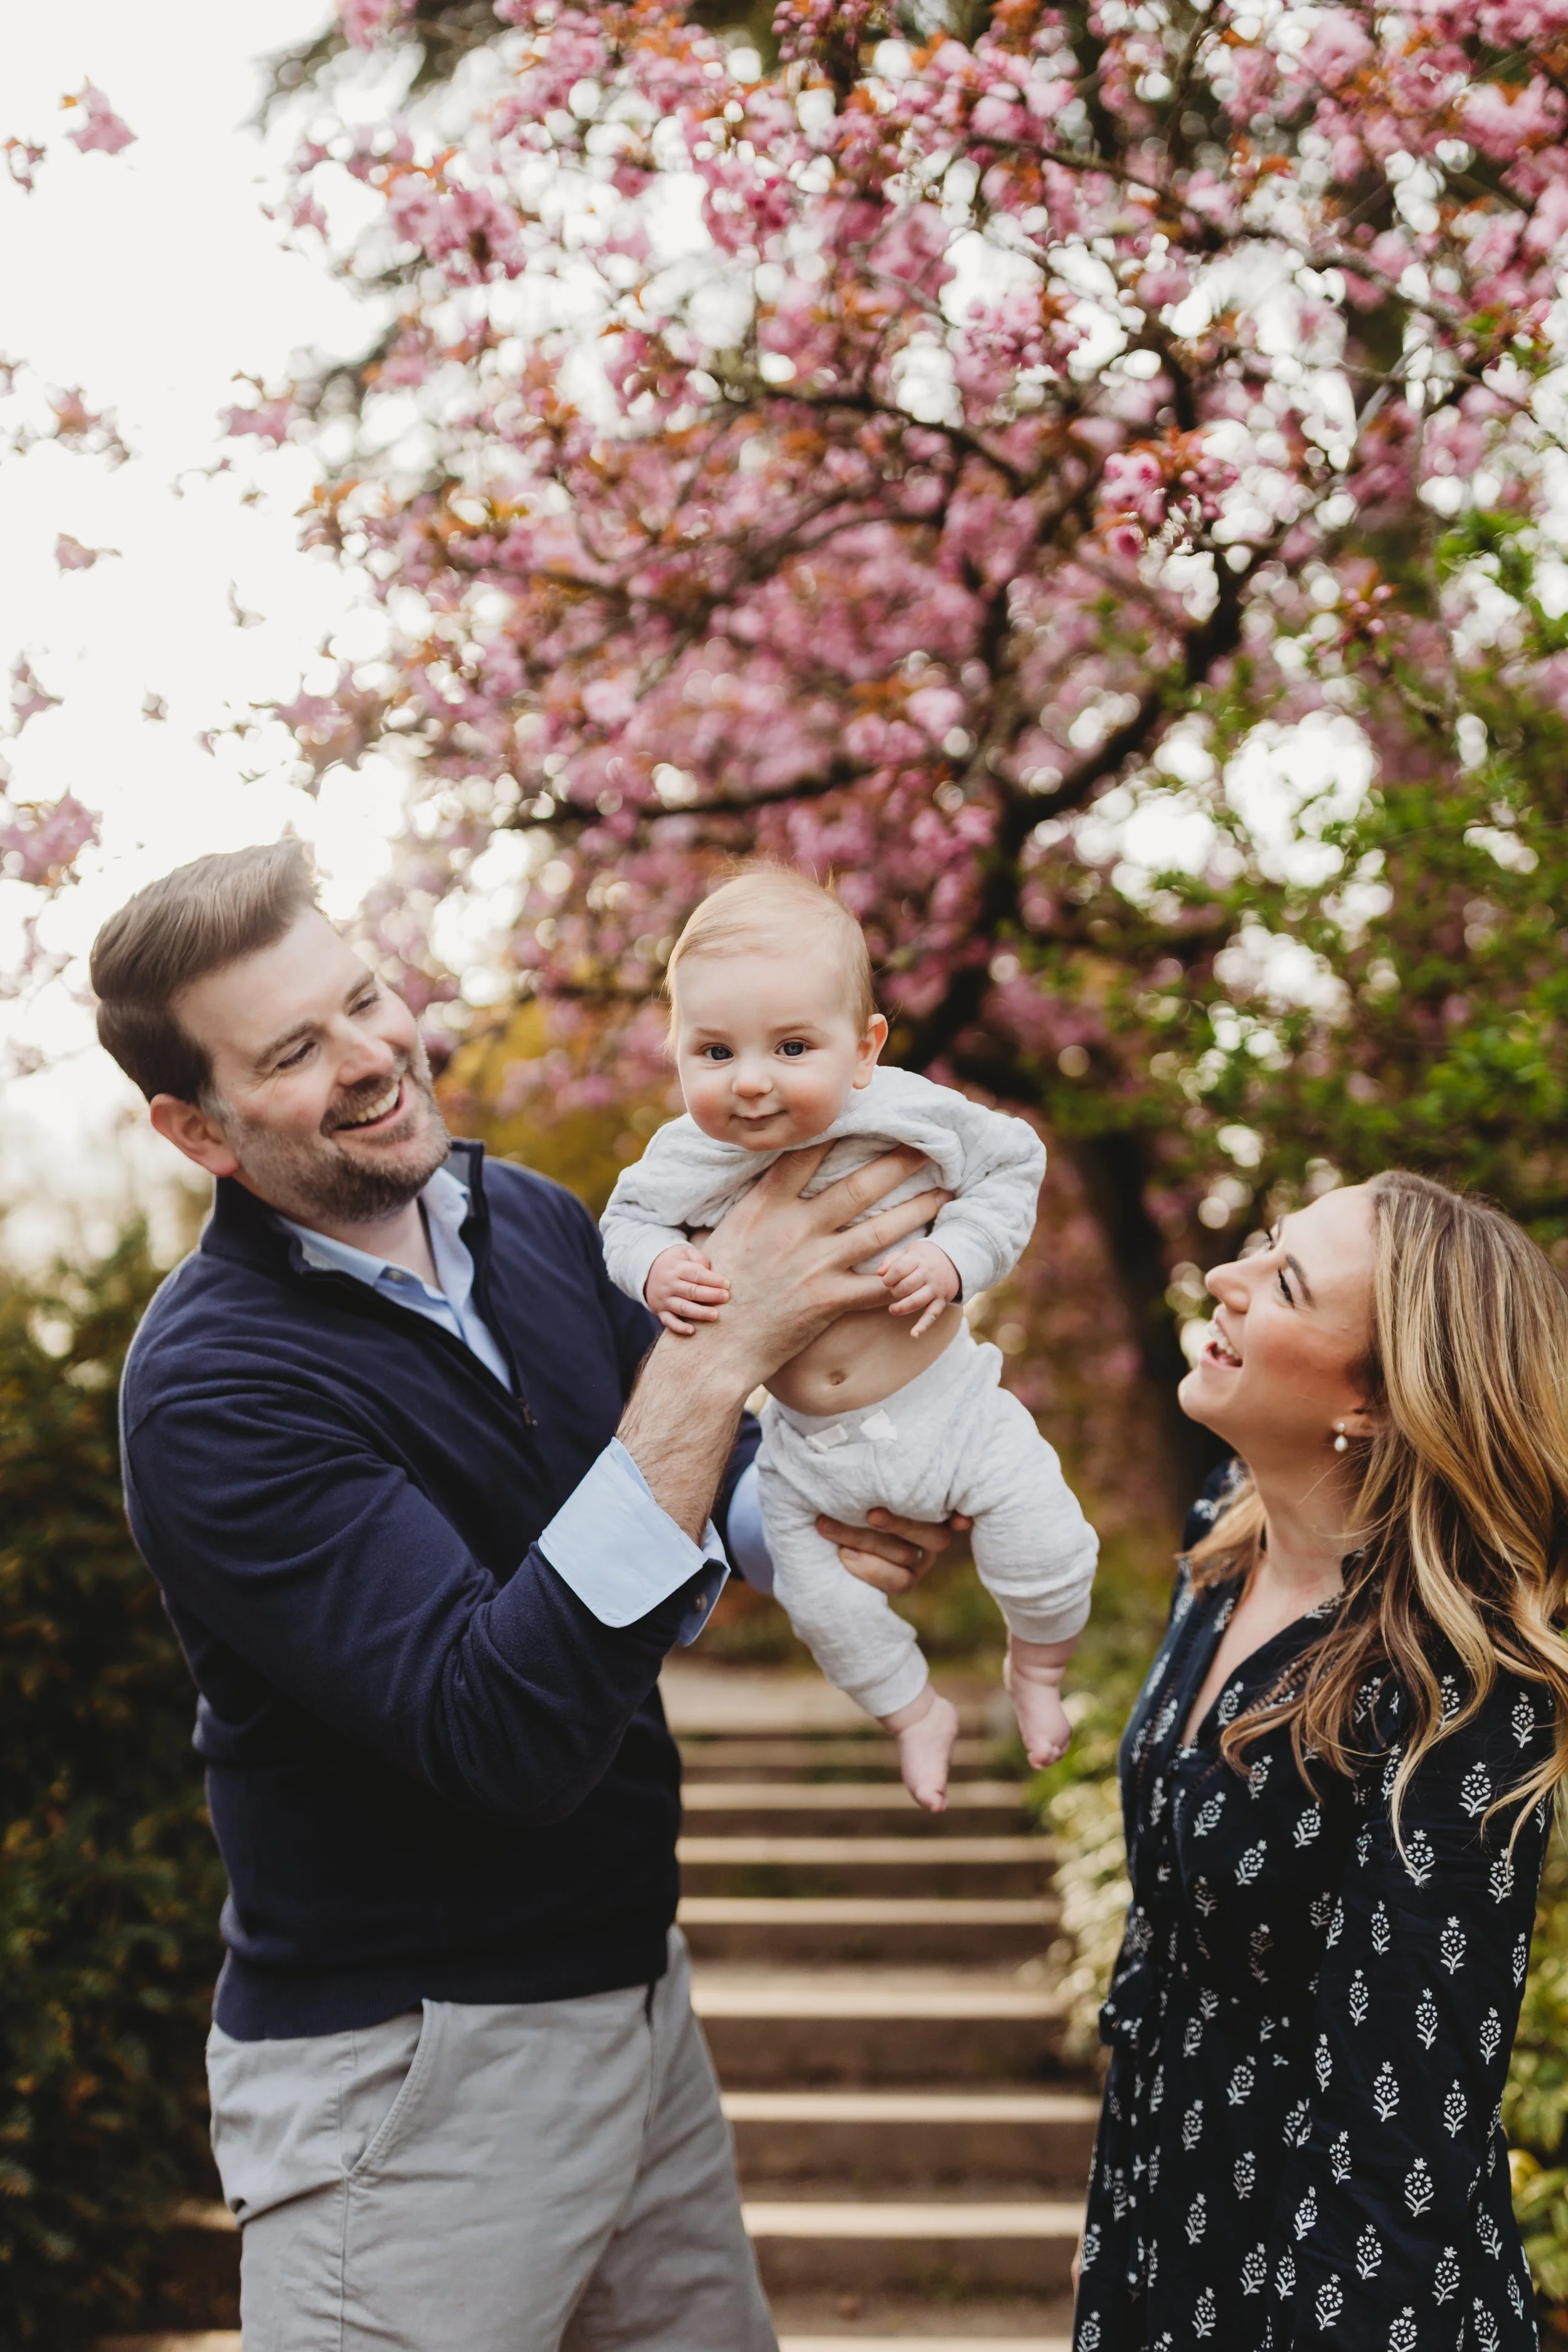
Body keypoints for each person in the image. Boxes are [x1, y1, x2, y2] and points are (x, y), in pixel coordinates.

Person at [89, 840, 963, 2352]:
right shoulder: (214, 1392)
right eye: (297, 1052)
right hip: (411, 2069)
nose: (373, 1059)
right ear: (198, 1129)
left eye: (365, 999)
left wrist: (807, 1526)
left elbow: (675, 1476)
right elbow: (494, 1727)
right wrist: (719, 1350)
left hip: (635, 2002)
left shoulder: (533, 1222)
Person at [1072, 1172, 1568, 2351]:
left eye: (1285, 1284)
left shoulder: (1459, 1686)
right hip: (1161, 2209)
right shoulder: (1223, 1537)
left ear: (1380, 1407)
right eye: (1264, 1248)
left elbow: (1409, 2125)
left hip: (1331, 2277)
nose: (1228, 1283)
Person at [598, 867, 1099, 1812]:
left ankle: (1037, 1667)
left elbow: (1012, 1162)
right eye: (713, 1051)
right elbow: (625, 1225)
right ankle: (914, 1714)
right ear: (675, 1051)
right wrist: (658, 1268)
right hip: (805, 1457)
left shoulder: (908, 1110)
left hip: (954, 1413)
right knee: (826, 1607)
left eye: (792, 1046)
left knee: (1048, 1544)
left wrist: (957, 1254)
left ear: (864, 1047)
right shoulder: (686, 1158)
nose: (750, 1081)